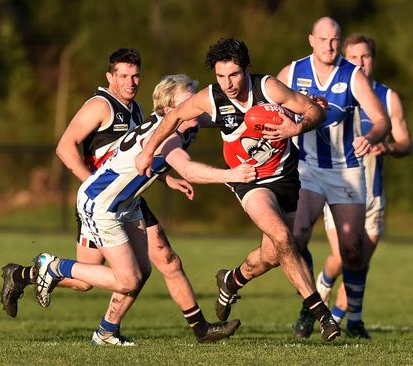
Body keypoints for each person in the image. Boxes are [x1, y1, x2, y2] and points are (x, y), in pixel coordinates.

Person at [1, 49, 211, 345]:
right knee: (88, 281)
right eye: (123, 76)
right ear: (110, 77)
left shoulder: (136, 110)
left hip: (127, 199)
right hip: (100, 199)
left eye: (136, 75)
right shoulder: (101, 105)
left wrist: (166, 178)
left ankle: (114, 330)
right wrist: (93, 184)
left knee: (161, 261)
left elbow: (141, 156)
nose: (131, 81)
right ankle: (25, 274)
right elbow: (65, 147)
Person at [135, 38, 341, 341]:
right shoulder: (212, 97)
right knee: (285, 238)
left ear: (247, 69)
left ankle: (231, 281)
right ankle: (323, 315)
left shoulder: (269, 88)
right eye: (220, 76)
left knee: (272, 255)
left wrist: (297, 126)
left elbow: (314, 111)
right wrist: (149, 149)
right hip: (247, 180)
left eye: (233, 74)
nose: (228, 83)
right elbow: (175, 115)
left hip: (285, 177)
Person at [30, 73, 256, 345]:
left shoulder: (187, 120)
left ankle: (106, 332)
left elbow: (230, 114)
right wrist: (232, 175)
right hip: (102, 204)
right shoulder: (168, 136)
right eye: (188, 100)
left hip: (126, 203)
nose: (196, 104)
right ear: (169, 109)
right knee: (127, 280)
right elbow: (187, 168)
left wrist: (275, 109)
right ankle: (54, 267)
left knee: (144, 271)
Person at [276, 18, 390, 339]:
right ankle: (312, 307)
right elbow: (269, 107)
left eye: (335, 40)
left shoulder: (352, 75)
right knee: (297, 237)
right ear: (311, 39)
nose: (329, 45)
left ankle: (353, 319)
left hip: (346, 171)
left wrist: (373, 136)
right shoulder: (292, 73)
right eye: (323, 39)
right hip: (307, 169)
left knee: (351, 250)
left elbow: (381, 120)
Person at [315, 33, 411, 332]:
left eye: (365, 56)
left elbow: (405, 141)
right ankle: (323, 304)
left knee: (358, 263)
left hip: (373, 194)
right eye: (354, 57)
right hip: (340, 191)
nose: (360, 62)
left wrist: (390, 147)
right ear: (345, 59)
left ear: (374, 60)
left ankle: (349, 320)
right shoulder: (335, 95)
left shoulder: (387, 97)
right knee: (346, 256)